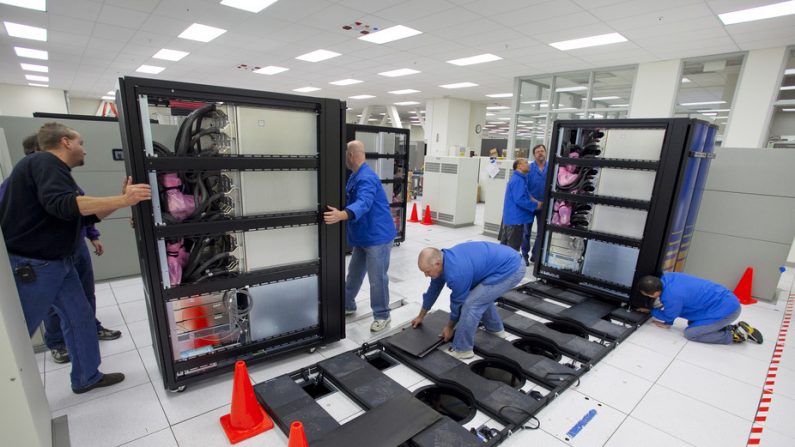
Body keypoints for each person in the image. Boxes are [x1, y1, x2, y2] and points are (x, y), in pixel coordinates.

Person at [1, 122, 151, 394]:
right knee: (16, 333)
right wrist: (122, 200)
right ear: (66, 142)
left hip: (59, 262)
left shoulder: (57, 171)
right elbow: (64, 204)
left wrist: (121, 200)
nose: (84, 150)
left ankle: (86, 376)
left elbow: (84, 215)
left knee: (81, 318)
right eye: (81, 143)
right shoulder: (43, 161)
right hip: (35, 266)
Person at [324, 140, 396, 332]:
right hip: (364, 235)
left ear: (350, 156)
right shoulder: (355, 175)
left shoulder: (366, 178)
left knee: (377, 278)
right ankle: (348, 304)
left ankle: (383, 315)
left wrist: (341, 214)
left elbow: (363, 203)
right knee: (354, 272)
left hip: (377, 237)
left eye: (346, 154)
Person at [411, 241, 526, 359]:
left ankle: (463, 349)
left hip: (512, 268)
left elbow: (457, 304)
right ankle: (496, 330)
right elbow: (433, 290)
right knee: (480, 296)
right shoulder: (443, 261)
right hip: (503, 262)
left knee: (471, 304)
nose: (426, 275)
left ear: (437, 264)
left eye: (427, 272)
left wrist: (450, 327)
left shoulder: (456, 273)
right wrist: (421, 316)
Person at [637, 273, 763, 345]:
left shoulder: (672, 296)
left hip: (727, 310)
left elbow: (670, 315)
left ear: (655, 292)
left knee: (691, 333)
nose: (649, 297)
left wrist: (655, 313)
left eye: (648, 295)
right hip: (725, 302)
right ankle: (738, 328)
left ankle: (734, 336)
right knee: (693, 323)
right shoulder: (669, 277)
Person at [500, 158, 535, 258]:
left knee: (505, 248)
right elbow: (520, 200)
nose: (528, 165)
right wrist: (535, 205)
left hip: (510, 219)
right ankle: (509, 271)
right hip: (516, 221)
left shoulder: (518, 178)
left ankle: (500, 269)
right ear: (519, 165)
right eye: (526, 163)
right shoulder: (518, 180)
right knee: (512, 250)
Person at [522, 144, 548, 265]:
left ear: (545, 152)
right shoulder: (529, 168)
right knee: (526, 232)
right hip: (530, 205)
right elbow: (525, 187)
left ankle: (535, 255)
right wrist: (534, 201)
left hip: (545, 205)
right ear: (534, 154)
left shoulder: (551, 167)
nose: (540, 153)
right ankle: (524, 256)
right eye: (537, 151)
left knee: (541, 232)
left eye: (542, 151)